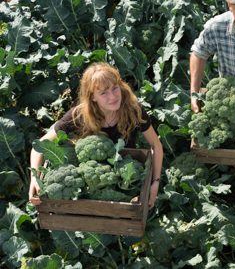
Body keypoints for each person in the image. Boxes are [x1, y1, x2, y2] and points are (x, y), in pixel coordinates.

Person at [28, 62, 164, 208]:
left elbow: (155, 145)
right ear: (92, 97)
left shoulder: (133, 109)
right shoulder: (79, 115)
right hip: (90, 181)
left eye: (114, 88)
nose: (112, 96)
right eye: (103, 93)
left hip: (126, 175)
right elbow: (39, 146)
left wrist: (155, 182)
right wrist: (35, 179)